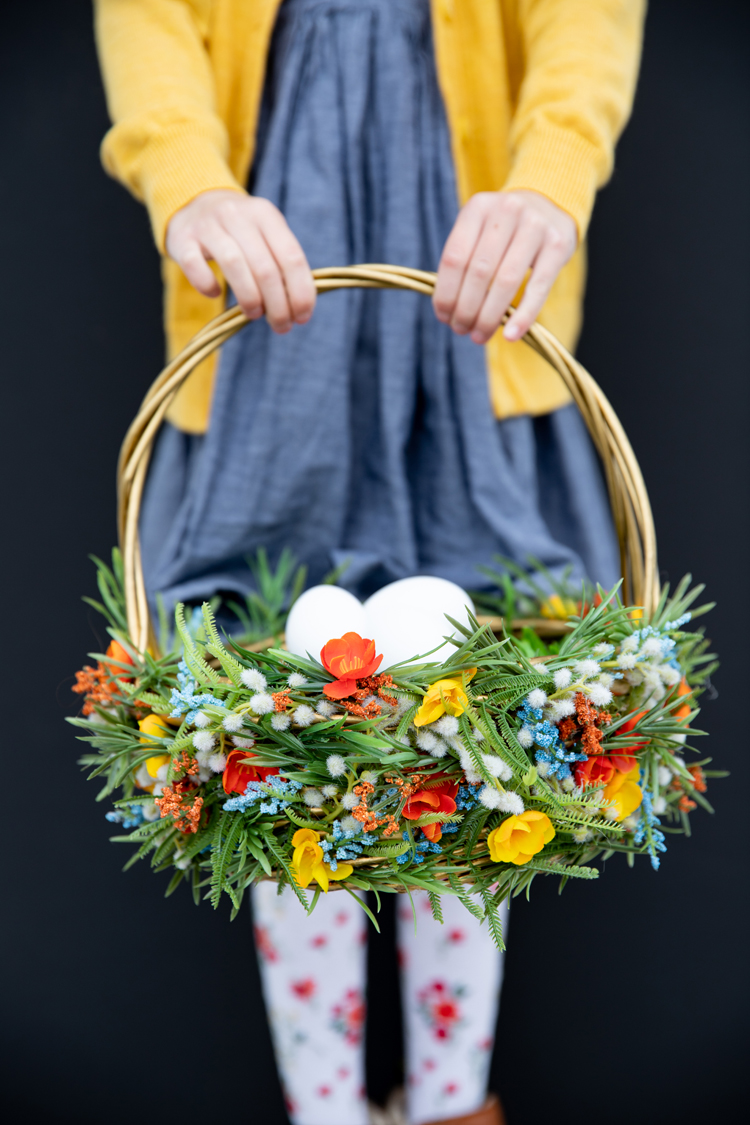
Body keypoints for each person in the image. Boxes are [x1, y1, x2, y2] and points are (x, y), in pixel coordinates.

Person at [95, 2, 645, 1123]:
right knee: (276, 726)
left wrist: (553, 170)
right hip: (269, 289)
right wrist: (185, 171)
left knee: (476, 715)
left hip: (465, 285)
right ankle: (328, 1108)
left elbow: (585, 22)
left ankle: (451, 1101)